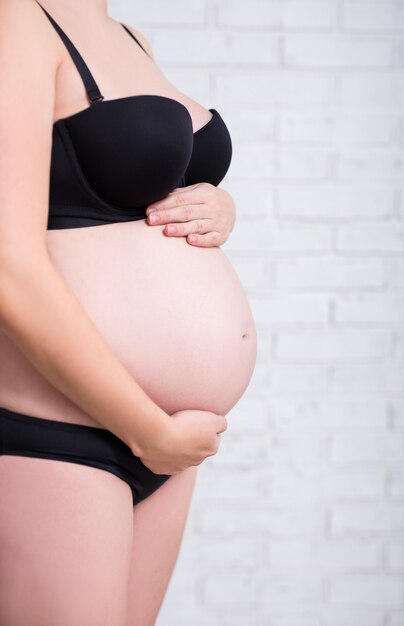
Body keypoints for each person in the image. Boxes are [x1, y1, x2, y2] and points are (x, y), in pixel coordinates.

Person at [0, 0, 258, 624]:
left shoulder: (128, 37)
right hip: (63, 431)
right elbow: (8, 263)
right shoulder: (15, 18)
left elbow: (121, 187)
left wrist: (215, 205)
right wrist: (146, 428)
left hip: (166, 438)